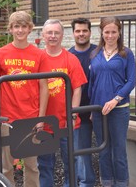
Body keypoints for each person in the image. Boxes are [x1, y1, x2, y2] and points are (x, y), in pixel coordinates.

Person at [0, 11, 50, 187]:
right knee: (6, 166)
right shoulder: (0, 54)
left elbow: (44, 87)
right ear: (10, 29)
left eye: (24, 26)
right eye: (16, 26)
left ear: (30, 29)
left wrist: (41, 118)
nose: (20, 30)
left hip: (30, 117)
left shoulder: (39, 55)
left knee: (32, 166)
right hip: (7, 117)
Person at [37, 19, 87, 187]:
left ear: (62, 35)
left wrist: (73, 116)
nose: (53, 36)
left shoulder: (70, 59)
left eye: (56, 33)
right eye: (49, 33)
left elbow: (78, 89)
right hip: (44, 124)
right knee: (44, 165)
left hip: (67, 123)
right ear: (43, 35)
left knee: (71, 164)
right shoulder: (38, 58)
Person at [88, 16, 136, 187]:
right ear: (101, 32)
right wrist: (93, 110)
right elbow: (92, 84)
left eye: (113, 32)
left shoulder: (126, 54)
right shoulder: (95, 54)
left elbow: (131, 81)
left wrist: (115, 100)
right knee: (103, 150)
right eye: (106, 32)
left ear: (119, 32)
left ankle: (122, 183)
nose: (110, 35)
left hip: (118, 110)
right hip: (99, 111)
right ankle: (107, 183)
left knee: (119, 151)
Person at [69, 18, 97, 187]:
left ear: (90, 32)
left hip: (99, 109)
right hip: (78, 112)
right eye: (78, 31)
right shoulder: (69, 55)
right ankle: (86, 183)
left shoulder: (99, 52)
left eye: (84, 30)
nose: (81, 34)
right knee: (82, 151)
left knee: (105, 148)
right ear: (73, 33)